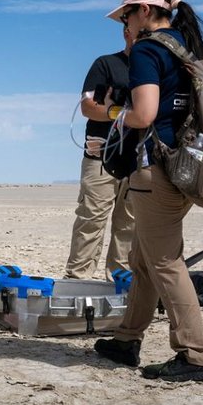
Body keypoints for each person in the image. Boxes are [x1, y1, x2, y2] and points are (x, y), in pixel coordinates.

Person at [93, 0, 203, 382]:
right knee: (142, 261)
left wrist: (111, 114)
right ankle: (127, 339)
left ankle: (195, 355)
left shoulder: (149, 49)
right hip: (186, 169)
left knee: (164, 262)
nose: (124, 24)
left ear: (144, 10)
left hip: (154, 170)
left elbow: (143, 115)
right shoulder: (186, 48)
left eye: (126, 15)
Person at [65, 49, 135, 281]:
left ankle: (120, 283)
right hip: (101, 158)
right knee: (91, 220)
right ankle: (77, 281)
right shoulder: (107, 65)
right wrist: (123, 113)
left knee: (129, 226)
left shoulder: (153, 68)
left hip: (138, 160)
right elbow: (88, 107)